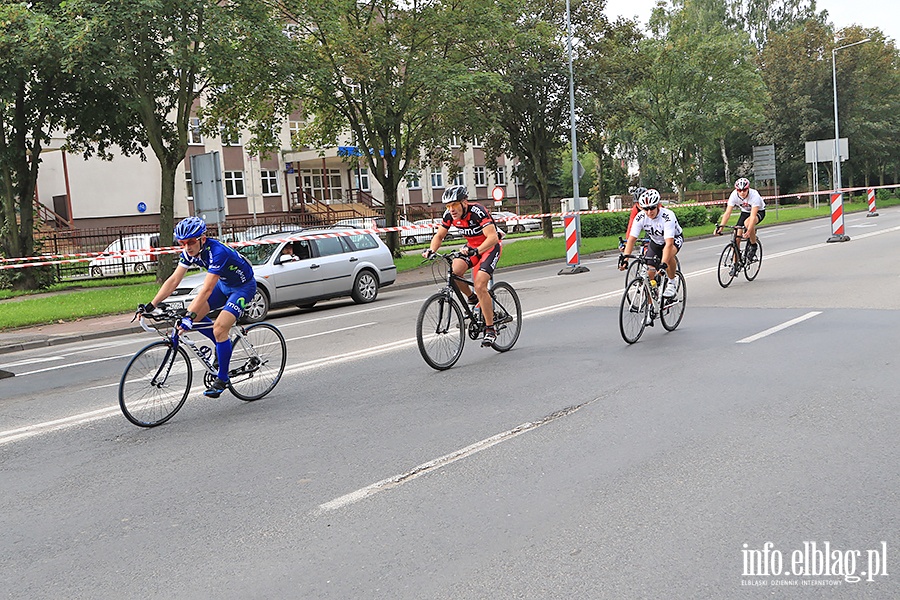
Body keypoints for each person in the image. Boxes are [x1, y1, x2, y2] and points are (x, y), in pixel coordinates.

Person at [136, 216, 257, 398]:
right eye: (182, 243)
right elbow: (174, 280)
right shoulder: (188, 253)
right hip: (224, 286)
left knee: (218, 328)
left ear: (202, 238)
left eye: (191, 242)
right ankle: (221, 344)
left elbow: (207, 289)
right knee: (199, 319)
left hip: (243, 288)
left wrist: (189, 316)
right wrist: (151, 306)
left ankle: (223, 378)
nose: (187, 247)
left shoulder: (217, 252)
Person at [422, 185, 502, 347]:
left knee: (480, 285)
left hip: (489, 247)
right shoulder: (449, 216)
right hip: (471, 248)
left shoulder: (478, 211)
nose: (451, 209)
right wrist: (431, 250)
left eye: (454, 205)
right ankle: (472, 299)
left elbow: (492, 237)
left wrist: (476, 250)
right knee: (454, 272)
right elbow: (439, 235)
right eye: (448, 206)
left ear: (464, 202)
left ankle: (490, 329)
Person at [618, 189, 684, 300]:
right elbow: (631, 239)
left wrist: (663, 264)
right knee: (649, 275)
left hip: (673, 239)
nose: (649, 212)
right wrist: (625, 258)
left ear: (658, 205)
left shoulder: (668, 216)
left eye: (652, 208)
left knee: (668, 255)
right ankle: (650, 310)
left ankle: (672, 283)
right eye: (646, 209)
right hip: (656, 242)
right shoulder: (640, 217)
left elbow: (668, 244)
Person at [715, 177, 766, 260]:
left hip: (758, 212)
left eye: (744, 190)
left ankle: (753, 245)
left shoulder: (754, 195)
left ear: (748, 189)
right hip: (745, 212)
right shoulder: (734, 195)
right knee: (736, 237)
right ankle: (736, 263)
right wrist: (721, 227)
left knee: (748, 223)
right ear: (736, 190)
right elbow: (727, 213)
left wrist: (749, 231)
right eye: (739, 190)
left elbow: (753, 216)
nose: (742, 192)